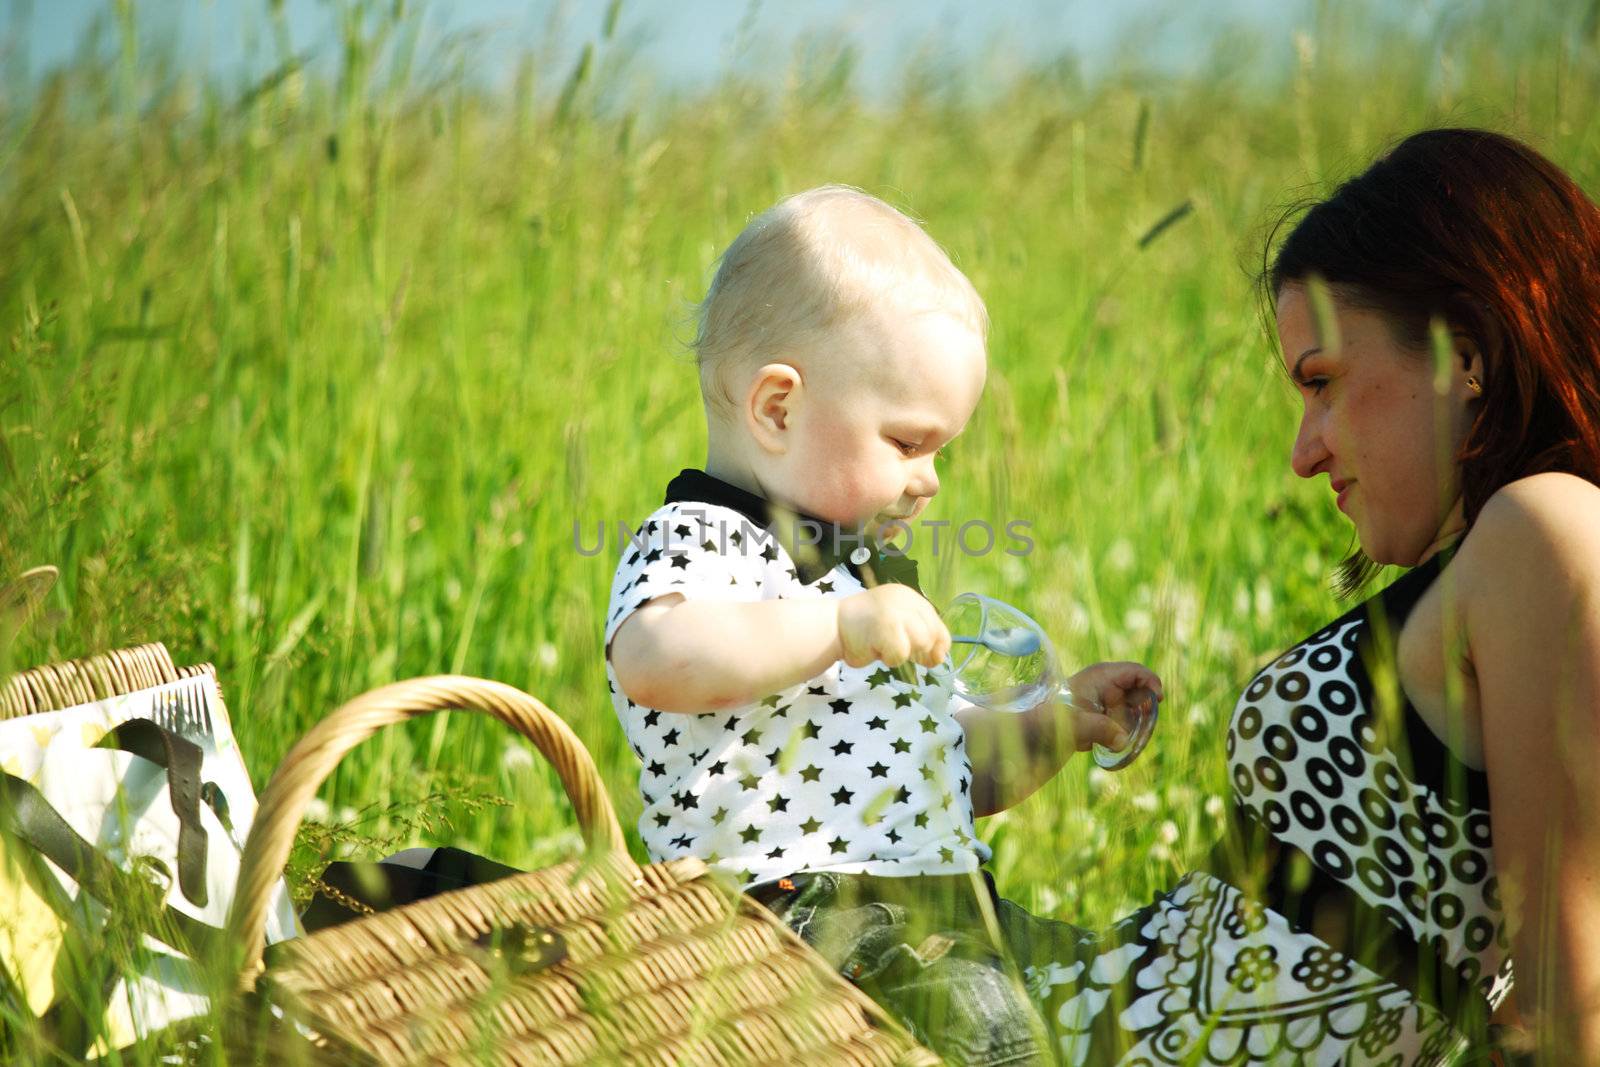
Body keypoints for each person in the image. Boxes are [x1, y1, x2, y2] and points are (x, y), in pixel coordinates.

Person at [1012, 127, 1600, 1066]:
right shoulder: (1491, 563)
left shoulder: (1548, 527)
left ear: (1466, 352)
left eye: (1322, 383)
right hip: (1054, 1017)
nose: (1304, 451)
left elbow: (1574, 1006)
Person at [603, 184, 1162, 1064]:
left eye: (941, 450)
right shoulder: (699, 539)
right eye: (907, 443)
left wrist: (1054, 726)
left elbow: (948, 770)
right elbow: (655, 656)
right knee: (994, 1031)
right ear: (777, 410)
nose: (930, 478)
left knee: (1113, 992)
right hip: (784, 925)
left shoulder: (863, 578)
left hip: (943, 916)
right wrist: (837, 628)